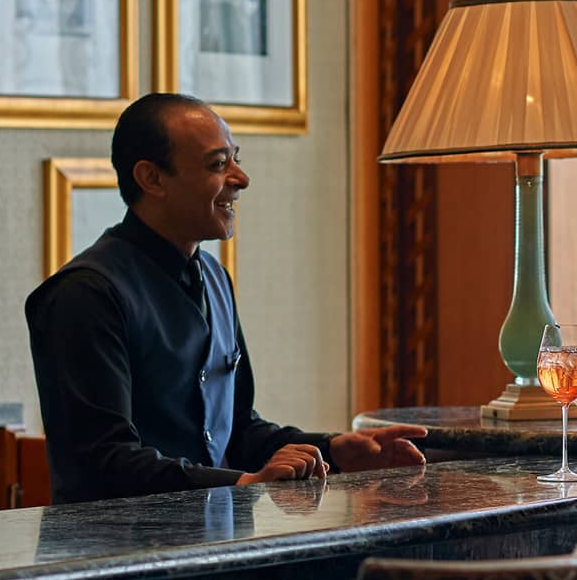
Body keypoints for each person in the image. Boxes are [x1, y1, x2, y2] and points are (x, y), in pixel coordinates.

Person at [27, 93, 425, 504]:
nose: (241, 178)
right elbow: (103, 461)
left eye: (235, 159)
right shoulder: (85, 294)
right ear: (152, 178)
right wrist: (242, 485)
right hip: (119, 558)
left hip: (219, 548)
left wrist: (334, 449)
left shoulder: (215, 278)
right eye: (218, 164)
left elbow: (236, 430)